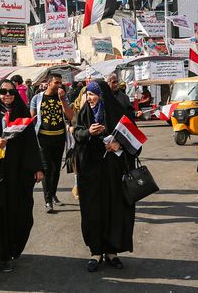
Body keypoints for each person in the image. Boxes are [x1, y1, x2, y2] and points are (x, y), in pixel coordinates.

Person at [0, 80, 43, 272]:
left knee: (21, 214)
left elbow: (31, 143)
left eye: (11, 92)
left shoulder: (21, 113)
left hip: (18, 174)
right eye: (3, 92)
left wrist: (38, 168)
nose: (7, 95)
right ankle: (1, 255)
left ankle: (13, 248)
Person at [73, 80, 138, 272]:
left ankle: (112, 252)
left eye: (93, 94)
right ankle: (95, 252)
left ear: (102, 96)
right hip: (90, 174)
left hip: (114, 173)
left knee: (114, 210)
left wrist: (119, 144)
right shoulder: (84, 113)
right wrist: (88, 132)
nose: (90, 98)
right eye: (88, 94)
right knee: (93, 211)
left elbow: (136, 140)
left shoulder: (119, 112)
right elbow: (76, 133)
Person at [30, 74, 74, 213]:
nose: (59, 85)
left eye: (60, 83)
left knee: (55, 169)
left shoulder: (62, 97)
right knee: (46, 169)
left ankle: (53, 194)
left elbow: (70, 116)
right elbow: (32, 118)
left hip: (59, 138)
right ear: (49, 83)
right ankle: (48, 200)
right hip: (43, 139)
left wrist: (63, 100)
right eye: (56, 82)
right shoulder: (37, 98)